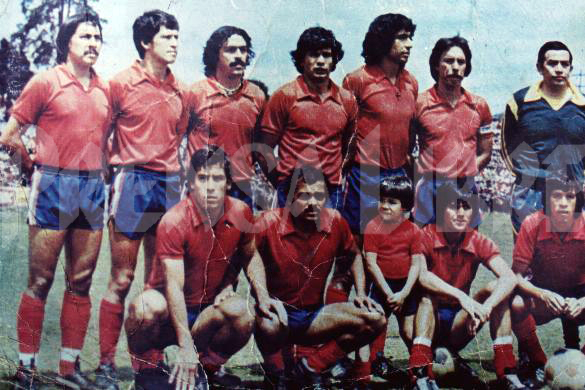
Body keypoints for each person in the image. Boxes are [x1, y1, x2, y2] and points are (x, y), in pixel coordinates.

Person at [0, 10, 108, 389]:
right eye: (85, 36)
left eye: (97, 36)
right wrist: (33, 170)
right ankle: (26, 368)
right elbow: (10, 136)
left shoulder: (104, 89)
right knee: (41, 279)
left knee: (81, 280)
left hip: (93, 187)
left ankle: (68, 368)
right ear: (67, 43)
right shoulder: (46, 82)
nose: (93, 42)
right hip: (53, 184)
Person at [124, 146, 281, 390]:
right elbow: (174, 286)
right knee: (145, 307)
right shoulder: (174, 221)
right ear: (191, 183)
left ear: (228, 184)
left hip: (205, 312)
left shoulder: (241, 212)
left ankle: (205, 370)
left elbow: (250, 257)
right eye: (203, 178)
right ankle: (147, 368)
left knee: (242, 312)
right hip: (167, 313)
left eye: (217, 178)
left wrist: (262, 296)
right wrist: (185, 344)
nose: (210, 186)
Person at [97, 10, 189, 388]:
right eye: (167, 37)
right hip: (132, 180)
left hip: (168, 183)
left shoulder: (180, 89)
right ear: (145, 43)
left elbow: (178, 135)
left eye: (176, 37)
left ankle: (146, 363)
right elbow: (101, 135)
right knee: (122, 277)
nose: (174, 44)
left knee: (159, 279)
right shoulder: (119, 83)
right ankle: (104, 364)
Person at [252, 165, 387, 389]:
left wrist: (361, 292)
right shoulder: (268, 222)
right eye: (304, 195)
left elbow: (354, 255)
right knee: (268, 324)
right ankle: (276, 372)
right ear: (290, 197)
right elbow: (248, 255)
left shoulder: (335, 221)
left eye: (319, 195)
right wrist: (263, 296)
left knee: (376, 319)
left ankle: (311, 366)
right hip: (278, 313)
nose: (313, 202)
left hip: (315, 315)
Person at [408, 184, 523, 389]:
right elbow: (423, 277)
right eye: (454, 206)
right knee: (427, 296)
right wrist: (462, 297)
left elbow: (509, 278)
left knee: (497, 289)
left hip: (458, 323)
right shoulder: (424, 235)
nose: (461, 213)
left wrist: (487, 307)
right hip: (422, 320)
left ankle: (507, 372)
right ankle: (420, 375)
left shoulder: (477, 240)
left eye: (467, 207)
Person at [260, 27, 357, 209]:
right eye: (313, 55)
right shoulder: (285, 95)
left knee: (328, 237)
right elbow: (264, 149)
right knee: (289, 237)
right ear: (301, 60)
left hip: (330, 191)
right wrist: (282, 182)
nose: (321, 61)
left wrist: (335, 178)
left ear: (334, 60)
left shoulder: (347, 100)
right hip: (292, 189)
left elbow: (349, 148)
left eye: (327, 55)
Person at [342, 13, 419, 236]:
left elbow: (410, 131)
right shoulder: (357, 79)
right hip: (364, 173)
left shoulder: (411, 82)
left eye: (410, 37)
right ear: (384, 40)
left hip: (397, 174)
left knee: (393, 241)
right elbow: (343, 130)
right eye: (403, 38)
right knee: (356, 240)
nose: (410, 44)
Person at [500, 41, 585, 234]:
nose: (559, 69)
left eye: (564, 64)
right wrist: (527, 176)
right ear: (539, 67)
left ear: (571, 68)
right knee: (526, 259)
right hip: (531, 194)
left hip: (573, 194)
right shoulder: (519, 102)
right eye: (552, 63)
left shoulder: (582, 105)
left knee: (572, 259)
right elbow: (508, 146)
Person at [511, 178, 585, 387]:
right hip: (544, 290)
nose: (563, 203)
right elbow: (515, 276)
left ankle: (583, 360)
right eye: (556, 196)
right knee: (516, 303)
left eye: (569, 197)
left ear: (578, 201)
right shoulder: (532, 224)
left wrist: (584, 302)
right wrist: (542, 294)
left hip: (580, 291)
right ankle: (537, 362)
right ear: (546, 200)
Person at [412, 36, 492, 226]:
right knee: (424, 249)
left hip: (464, 187)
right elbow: (407, 151)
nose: (455, 66)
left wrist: (463, 176)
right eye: (448, 60)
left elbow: (486, 153)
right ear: (436, 65)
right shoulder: (419, 103)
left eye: (461, 62)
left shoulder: (479, 105)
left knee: (466, 250)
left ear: (467, 67)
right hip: (429, 189)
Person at [187, 26, 266, 209]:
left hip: (242, 188)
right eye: (231, 50)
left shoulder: (257, 96)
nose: (239, 56)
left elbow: (260, 145)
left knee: (240, 238)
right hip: (206, 184)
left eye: (243, 50)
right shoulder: (195, 93)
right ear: (216, 55)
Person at [362, 176, 424, 385]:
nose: (385, 206)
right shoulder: (372, 226)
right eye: (382, 200)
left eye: (392, 202)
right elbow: (371, 263)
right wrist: (389, 294)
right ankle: (374, 362)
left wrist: (404, 293)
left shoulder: (413, 230)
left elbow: (416, 264)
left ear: (405, 206)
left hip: (405, 287)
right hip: (382, 287)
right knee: (376, 323)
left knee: (409, 331)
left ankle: (418, 368)